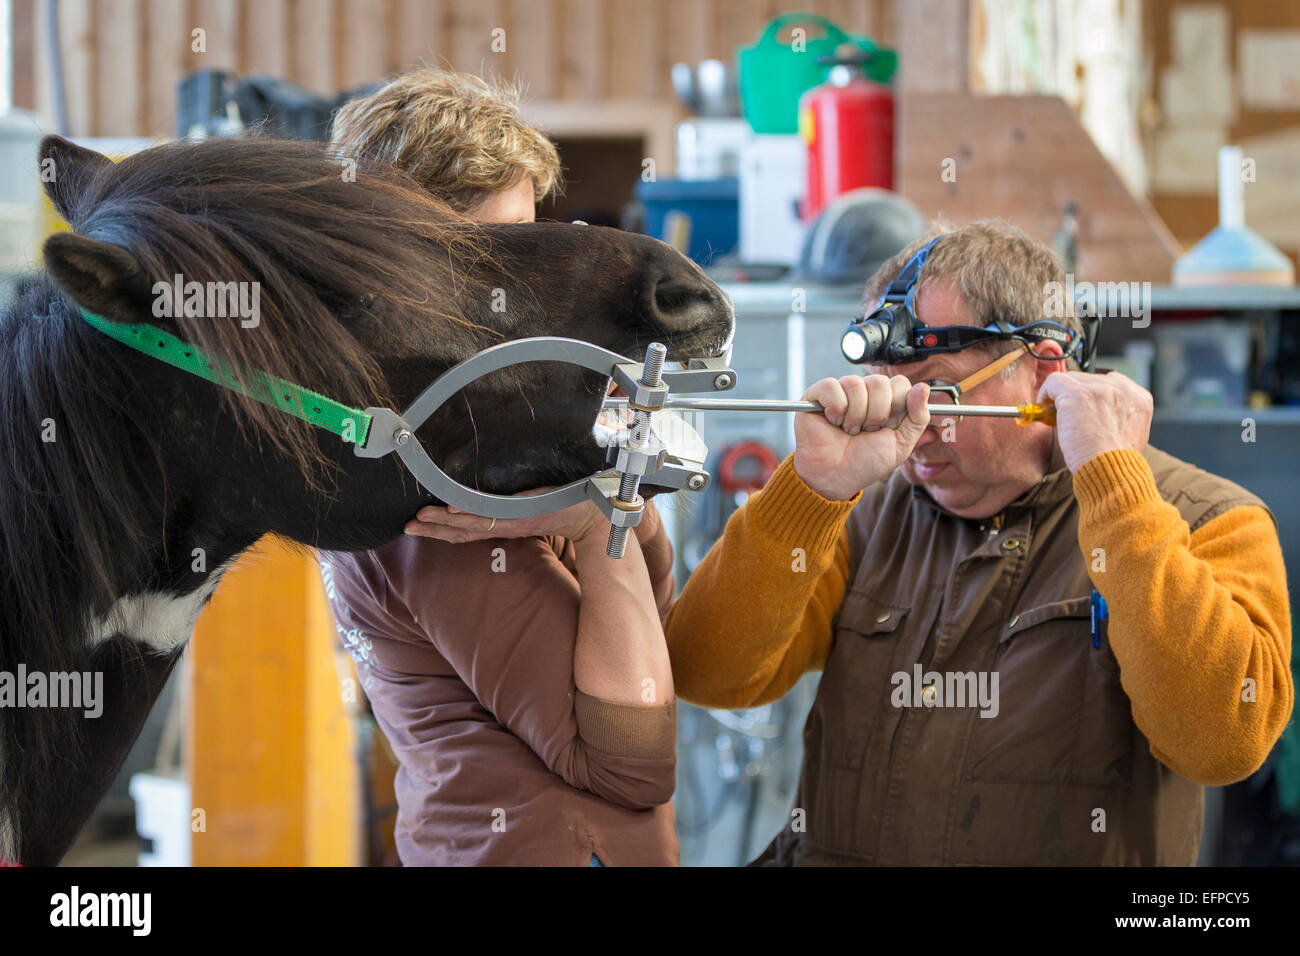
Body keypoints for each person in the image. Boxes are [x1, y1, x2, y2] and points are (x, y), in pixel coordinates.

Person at [660, 220, 1293, 865]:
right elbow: (711, 673)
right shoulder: (864, 514)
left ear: (1044, 373)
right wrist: (810, 492)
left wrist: (1114, 490)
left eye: (936, 393)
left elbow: (1222, 743)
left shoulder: (1208, 518)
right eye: (889, 396)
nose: (914, 431)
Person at [319, 70, 679, 866]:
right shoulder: (431, 486)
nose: (520, 287)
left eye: (527, 242)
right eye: (494, 252)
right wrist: (595, 517)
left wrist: (612, 512)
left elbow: (655, 610)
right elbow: (631, 760)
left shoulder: (461, 436)